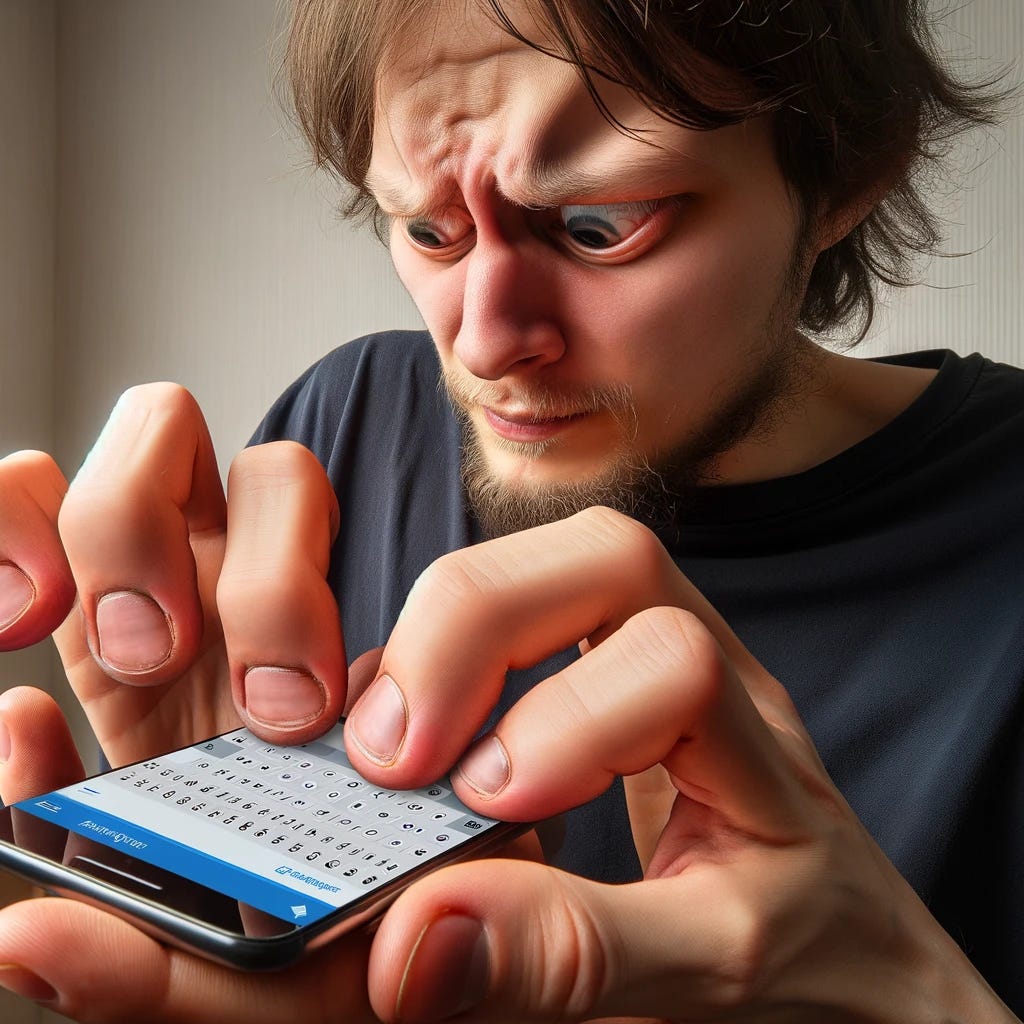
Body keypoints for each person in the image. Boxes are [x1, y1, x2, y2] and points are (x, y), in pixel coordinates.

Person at [0, 0, 1021, 1020]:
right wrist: (196, 919)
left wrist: (914, 993)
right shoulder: (345, 421)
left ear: (844, 175)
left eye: (596, 226)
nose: (483, 346)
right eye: (427, 230)